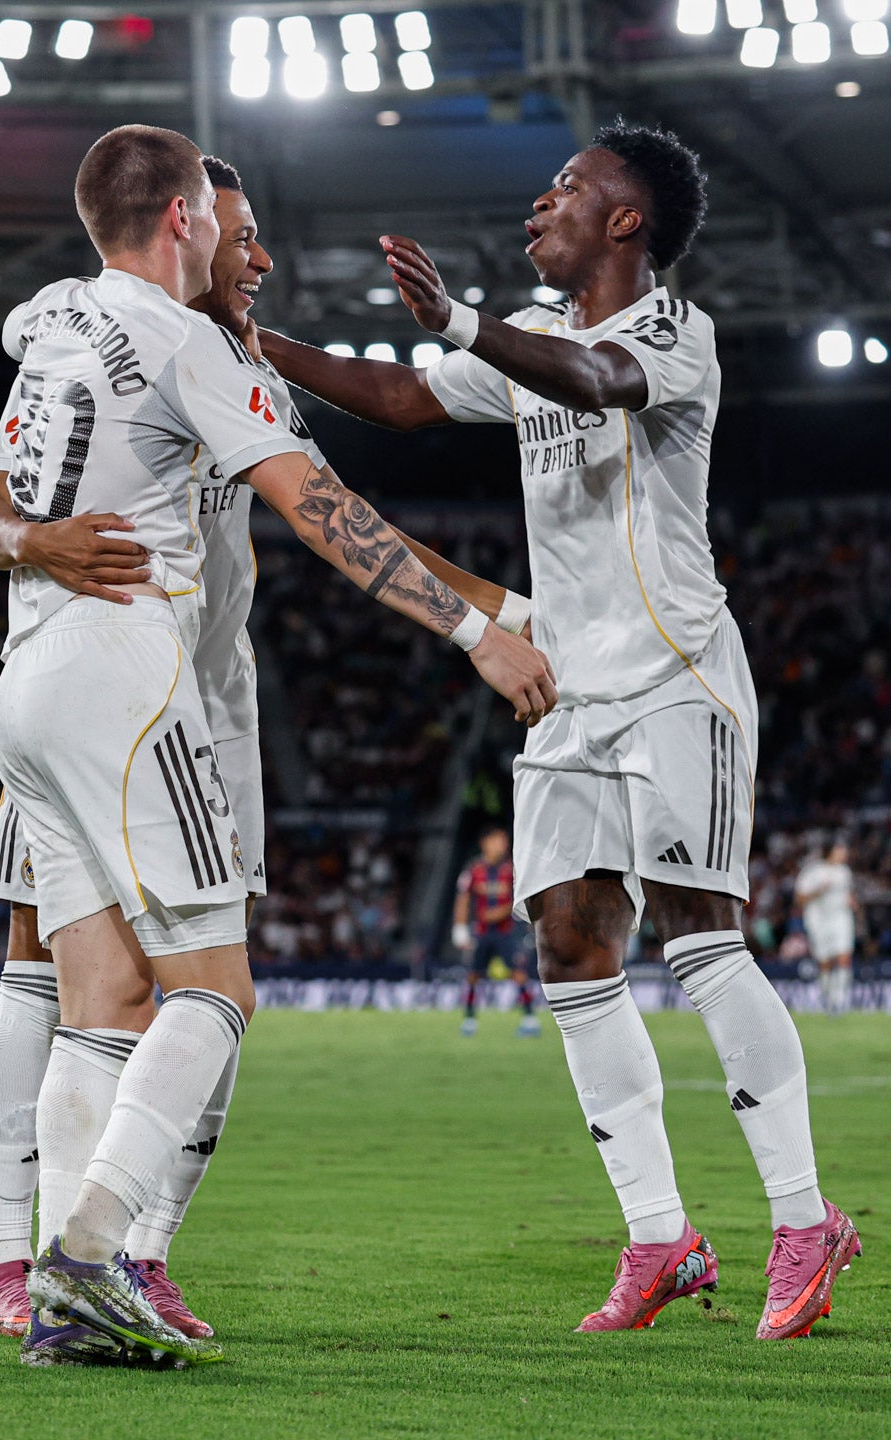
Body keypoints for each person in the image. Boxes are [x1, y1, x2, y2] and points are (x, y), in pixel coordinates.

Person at [257, 119, 861, 1339]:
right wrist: (254, 340)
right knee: (571, 947)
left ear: (626, 221)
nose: (541, 204)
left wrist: (461, 320)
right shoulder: (533, 341)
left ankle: (804, 1221)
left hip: (678, 673)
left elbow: (596, 382)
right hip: (568, 689)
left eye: (567, 189)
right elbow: (404, 400)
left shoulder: (674, 333)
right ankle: (660, 1238)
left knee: (699, 938)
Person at [0, 123, 557, 1368]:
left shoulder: (60, 323)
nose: (258, 257)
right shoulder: (182, 342)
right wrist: (476, 636)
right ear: (184, 217)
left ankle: (67, 1307)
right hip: (129, 679)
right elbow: (326, 512)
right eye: (230, 226)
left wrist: (507, 610)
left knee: (102, 1002)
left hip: (30, 680)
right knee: (215, 991)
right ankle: (88, 1253)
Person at [451, 824, 540, 1037]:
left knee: (518, 974)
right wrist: (459, 928)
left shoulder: (511, 870)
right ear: (485, 843)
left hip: (505, 932)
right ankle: (469, 1019)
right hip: (481, 933)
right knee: (473, 975)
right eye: (498, 840)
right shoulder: (473, 870)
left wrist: (501, 912)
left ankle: (529, 1018)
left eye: (504, 841)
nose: (503, 845)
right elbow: (463, 899)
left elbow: (519, 899)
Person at [795, 839, 857, 1015]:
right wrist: (819, 890)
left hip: (841, 917)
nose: (844, 853)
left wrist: (852, 902)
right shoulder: (813, 871)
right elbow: (799, 899)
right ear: (830, 851)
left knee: (844, 956)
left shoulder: (845, 872)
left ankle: (840, 1000)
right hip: (818, 920)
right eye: (840, 849)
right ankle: (828, 1000)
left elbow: (849, 893)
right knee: (825, 962)